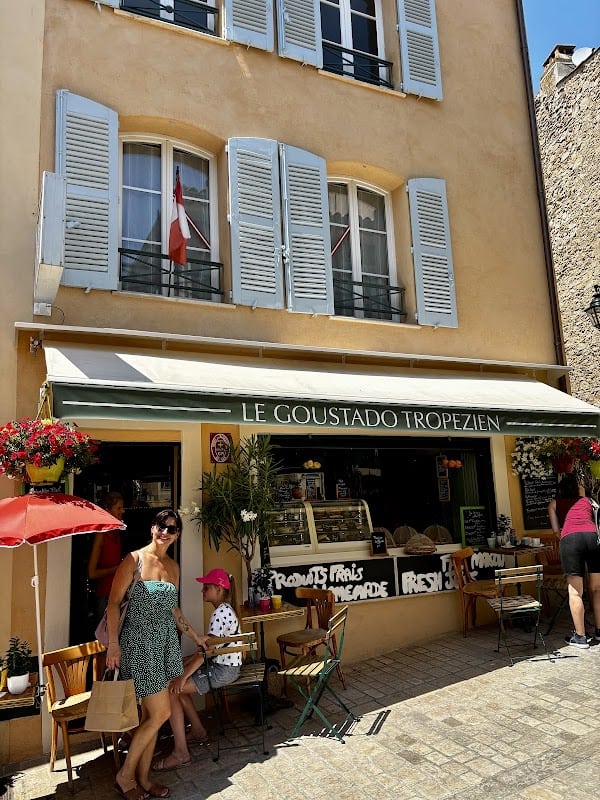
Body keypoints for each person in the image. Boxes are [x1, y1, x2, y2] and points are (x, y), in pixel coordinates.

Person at [106, 509, 203, 800]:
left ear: (177, 535)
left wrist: (195, 635)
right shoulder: (134, 560)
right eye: (161, 525)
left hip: (163, 645)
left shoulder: (173, 567)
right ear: (152, 528)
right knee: (160, 711)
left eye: (171, 528)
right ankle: (125, 776)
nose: (165, 531)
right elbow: (112, 604)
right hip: (139, 644)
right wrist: (113, 643)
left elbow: (174, 610)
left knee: (153, 715)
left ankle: (144, 779)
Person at [152, 568, 241, 772]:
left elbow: (205, 654)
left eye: (206, 587)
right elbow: (207, 649)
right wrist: (184, 670)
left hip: (223, 669)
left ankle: (181, 752)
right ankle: (198, 731)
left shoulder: (220, 613)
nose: (202, 591)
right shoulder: (225, 609)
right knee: (177, 682)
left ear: (218, 589)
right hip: (225, 666)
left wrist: (183, 677)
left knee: (173, 689)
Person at [549, 478, 600, 649]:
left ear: (560, 490)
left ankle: (580, 637)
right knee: (597, 588)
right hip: (593, 538)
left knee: (575, 591)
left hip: (570, 539)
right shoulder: (587, 501)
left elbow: (557, 531)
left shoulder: (554, 504)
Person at [88, 491, 125, 622]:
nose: (123, 511)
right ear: (108, 510)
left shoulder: (117, 532)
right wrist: (116, 569)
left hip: (119, 594)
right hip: (105, 596)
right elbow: (91, 573)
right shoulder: (101, 535)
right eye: (119, 508)